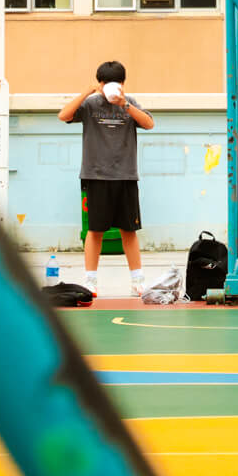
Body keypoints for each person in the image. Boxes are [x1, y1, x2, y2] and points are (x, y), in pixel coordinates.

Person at [57, 61, 153, 298]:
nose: (113, 87)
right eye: (106, 83)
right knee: (95, 230)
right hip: (96, 176)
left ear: (123, 84)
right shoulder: (90, 104)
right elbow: (63, 115)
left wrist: (126, 104)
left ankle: (137, 280)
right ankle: (90, 281)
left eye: (117, 83)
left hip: (126, 175)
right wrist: (89, 91)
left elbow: (149, 123)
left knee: (129, 230)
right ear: (100, 83)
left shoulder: (129, 103)